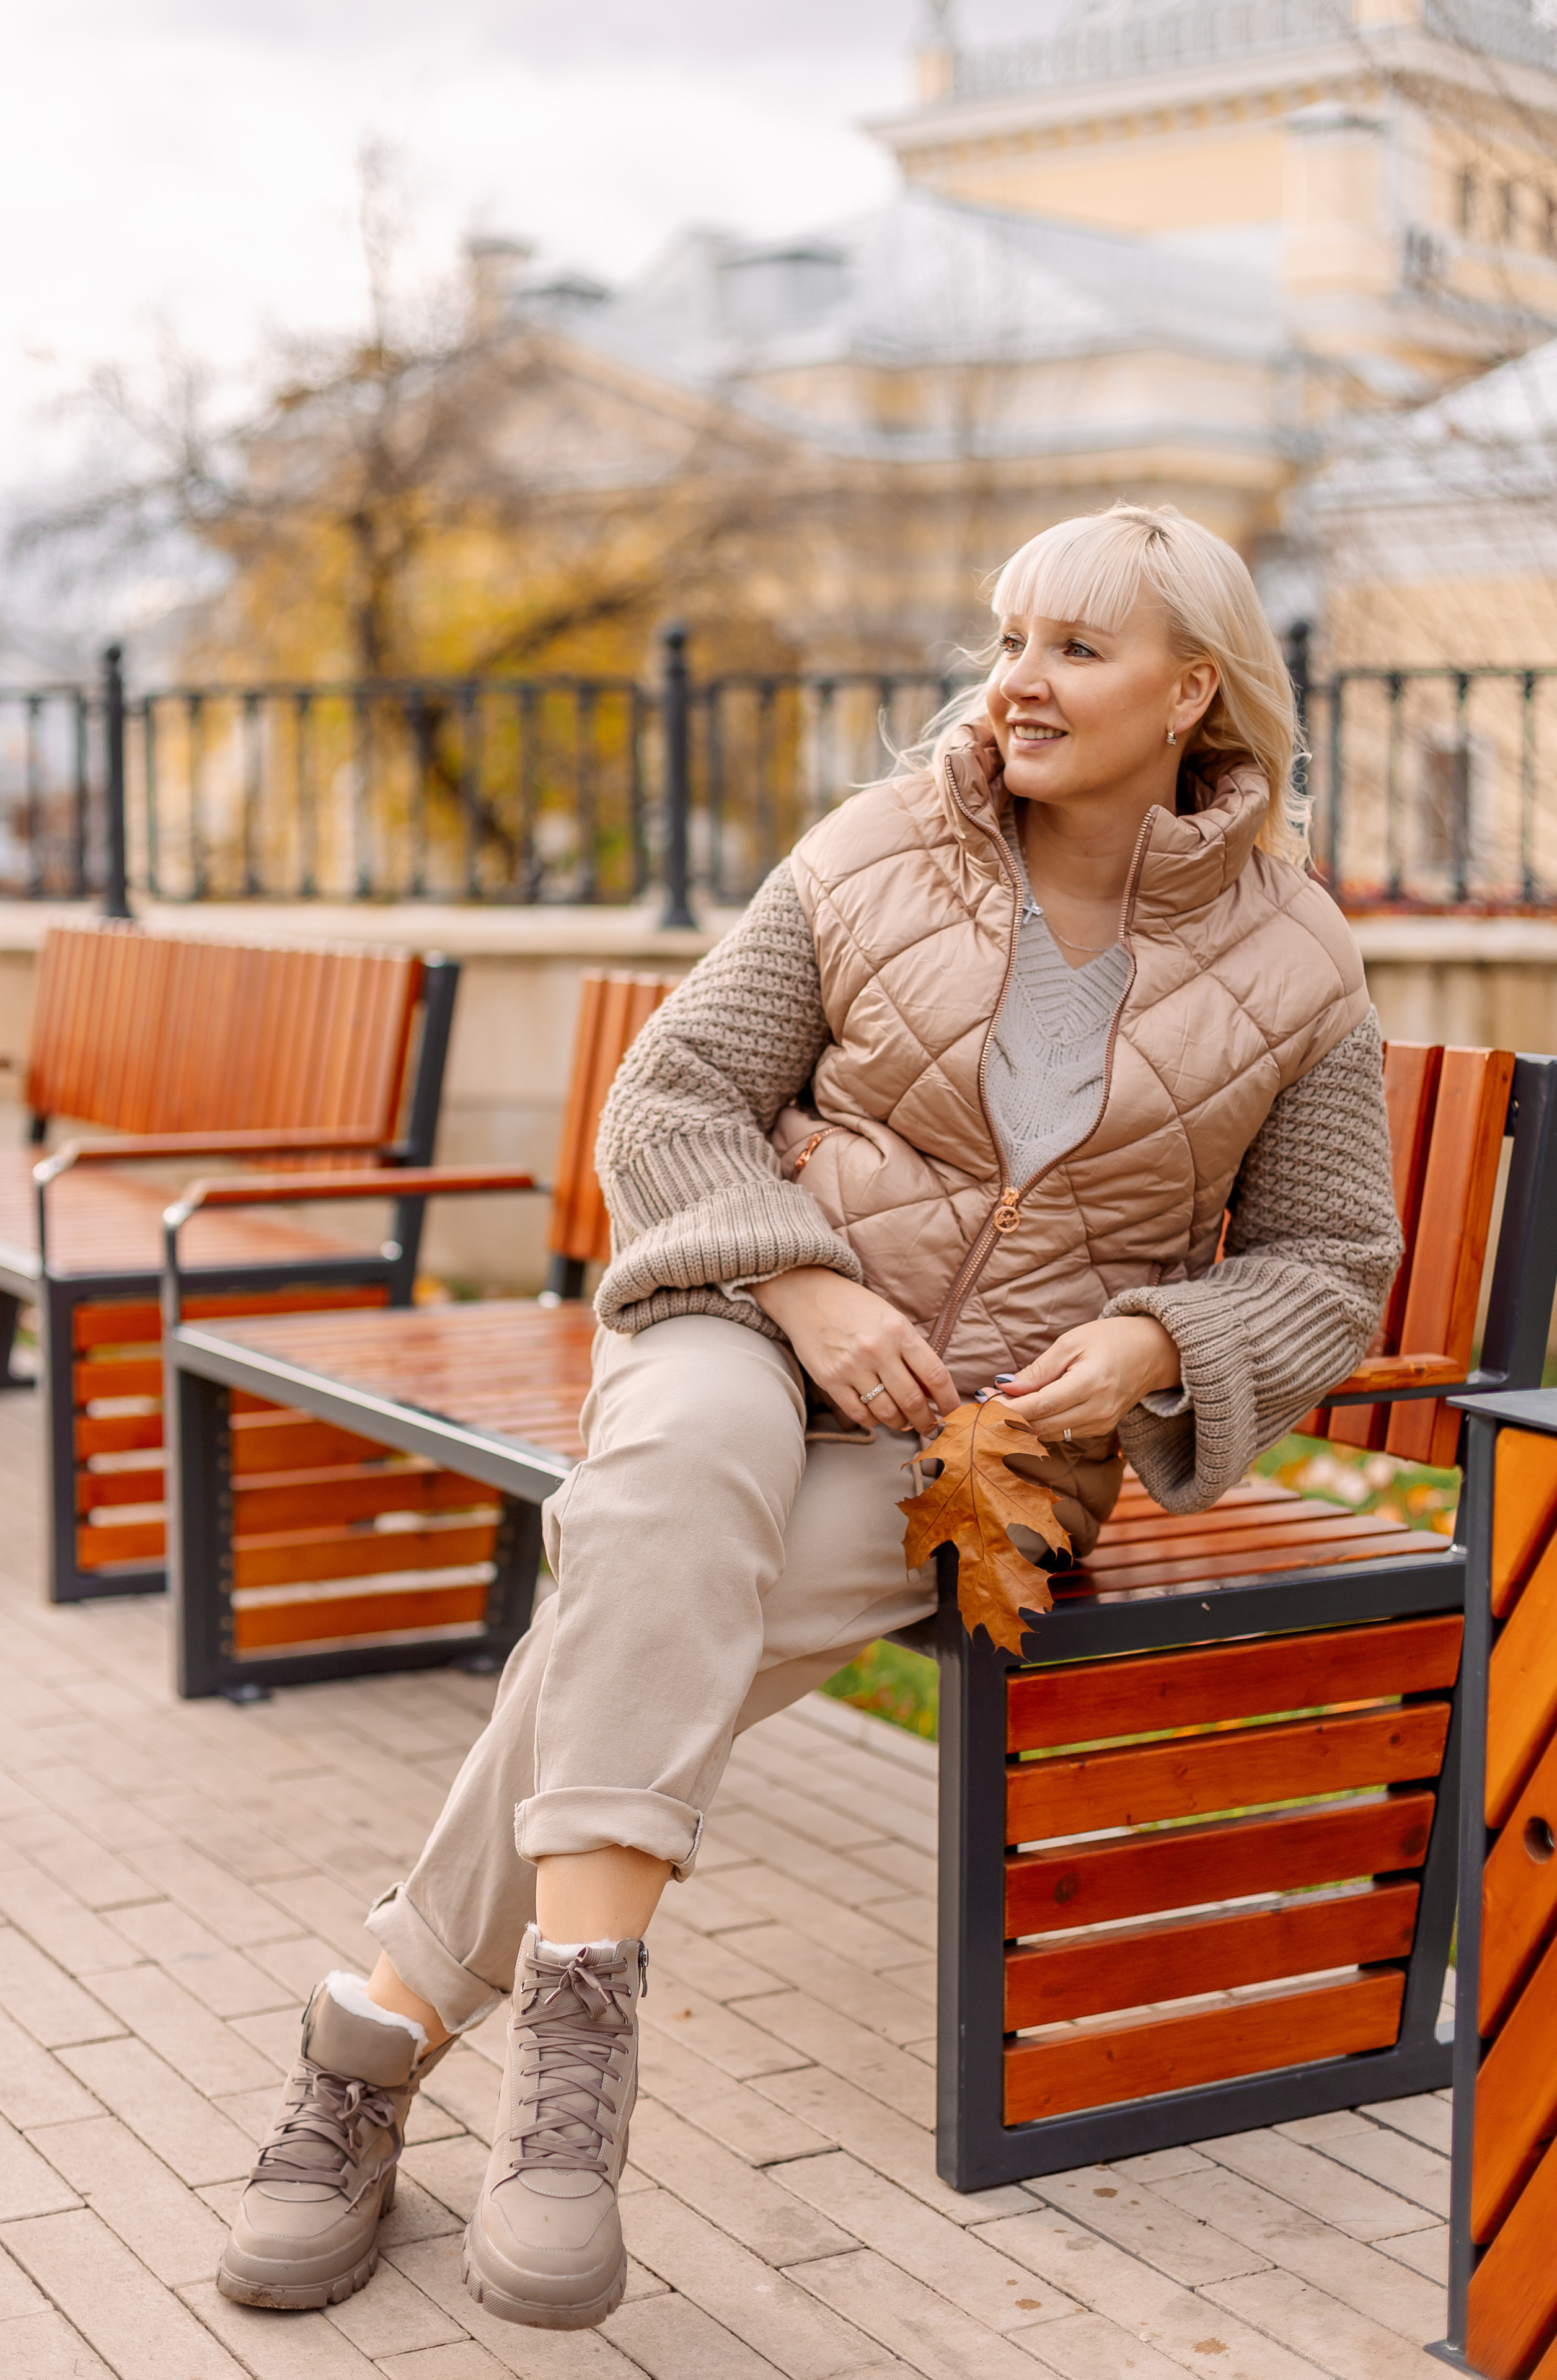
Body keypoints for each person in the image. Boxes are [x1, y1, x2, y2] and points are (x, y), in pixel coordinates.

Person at [218, 503, 1401, 2331]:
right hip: (748, 1320)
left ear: (1194, 692)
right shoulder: (872, 854)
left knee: (654, 1588)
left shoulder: (1303, 960)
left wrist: (1158, 1348)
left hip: (994, 1439)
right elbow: (674, 1096)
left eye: (1075, 650)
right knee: (675, 1483)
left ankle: (373, 2032)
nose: (1018, 682)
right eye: (1009, 637)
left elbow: (1332, 1259)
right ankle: (568, 2105)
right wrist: (810, 1281)